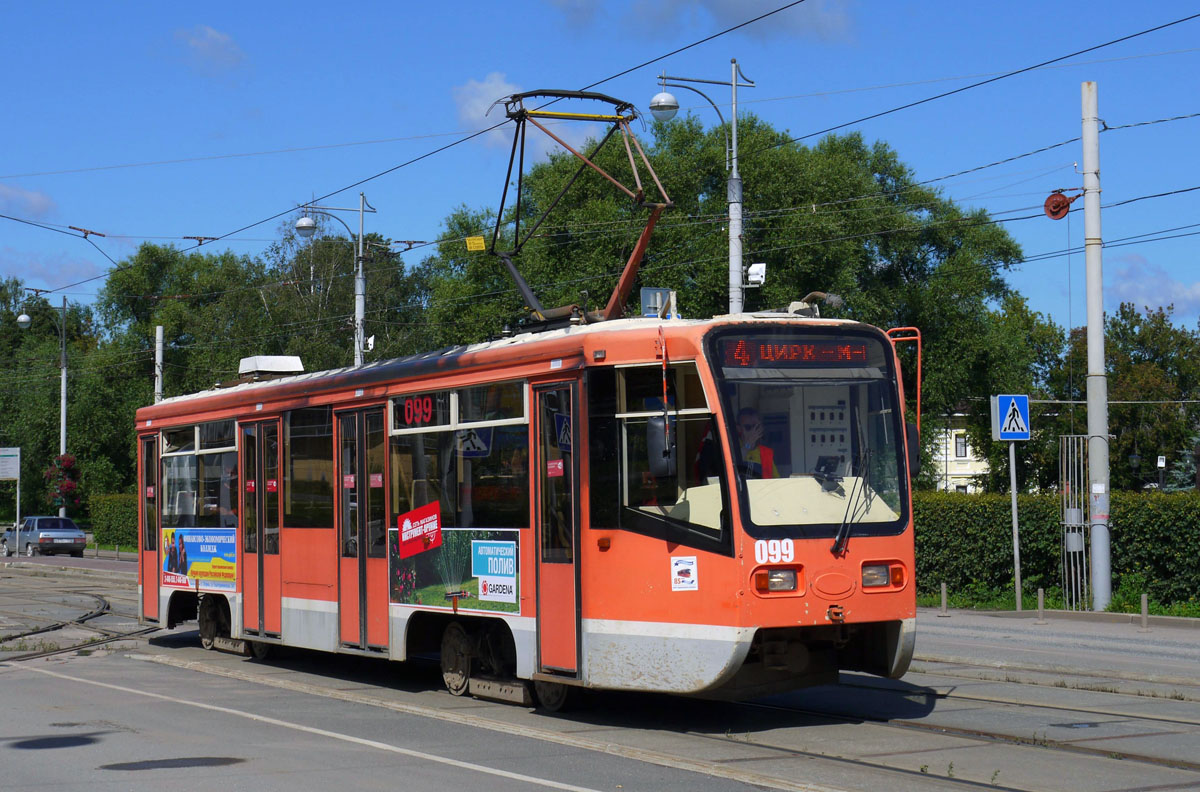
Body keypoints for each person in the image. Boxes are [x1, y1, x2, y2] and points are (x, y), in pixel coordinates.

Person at [736, 407, 779, 479]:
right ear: (739, 428)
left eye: (756, 427)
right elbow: (732, 468)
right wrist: (747, 446)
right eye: (748, 427)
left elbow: (776, 480)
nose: (753, 431)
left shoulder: (766, 453)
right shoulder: (731, 447)